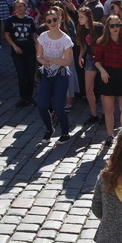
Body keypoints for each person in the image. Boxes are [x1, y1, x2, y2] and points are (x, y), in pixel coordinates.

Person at [94, 15, 122, 148]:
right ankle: (109, 135)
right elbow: (96, 60)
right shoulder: (102, 42)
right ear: (107, 27)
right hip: (107, 74)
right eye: (112, 25)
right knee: (108, 109)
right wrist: (102, 71)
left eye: (117, 25)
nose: (115, 28)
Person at [36, 9, 74, 145]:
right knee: (42, 105)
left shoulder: (66, 39)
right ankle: (49, 129)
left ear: (59, 20)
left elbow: (67, 61)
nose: (52, 23)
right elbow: (39, 56)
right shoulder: (43, 37)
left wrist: (50, 59)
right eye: (49, 21)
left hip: (61, 75)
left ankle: (65, 133)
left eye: (54, 20)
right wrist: (43, 61)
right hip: (47, 74)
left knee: (58, 107)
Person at [5, 0, 37, 108]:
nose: (18, 9)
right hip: (17, 52)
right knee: (22, 75)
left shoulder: (30, 20)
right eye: (16, 7)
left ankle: (29, 96)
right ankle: (23, 97)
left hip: (30, 51)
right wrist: (14, 46)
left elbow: (33, 34)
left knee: (30, 74)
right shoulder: (10, 20)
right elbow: (7, 35)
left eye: (20, 6)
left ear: (25, 7)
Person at [77, 7, 105, 126]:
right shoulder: (81, 29)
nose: (79, 19)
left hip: (102, 59)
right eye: (79, 17)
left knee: (104, 89)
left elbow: (106, 42)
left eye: (81, 17)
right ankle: (94, 114)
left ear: (88, 17)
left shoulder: (98, 27)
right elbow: (83, 45)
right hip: (89, 58)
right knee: (88, 89)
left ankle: (105, 114)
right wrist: (80, 56)